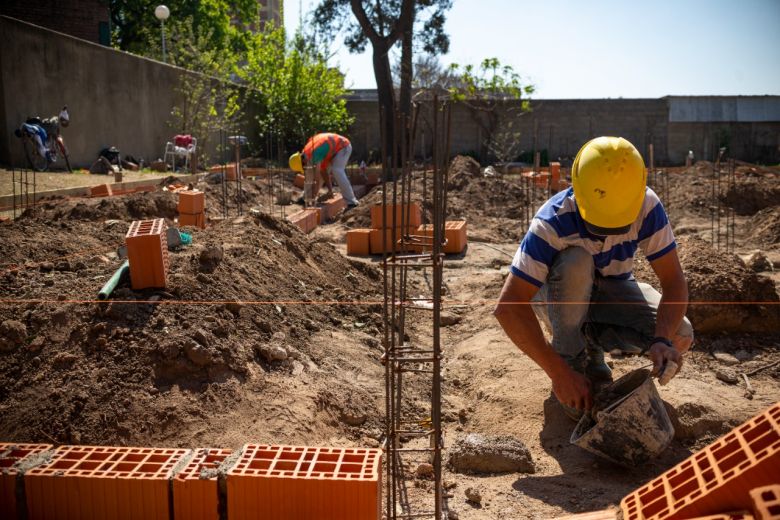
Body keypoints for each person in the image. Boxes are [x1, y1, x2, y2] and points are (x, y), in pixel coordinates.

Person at [494, 136, 693, 420]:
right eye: (599, 223)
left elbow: (674, 280)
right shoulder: (552, 222)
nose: (608, 232)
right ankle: (570, 359)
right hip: (558, 298)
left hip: (611, 291)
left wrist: (662, 339)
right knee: (577, 260)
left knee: (680, 334)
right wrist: (558, 373)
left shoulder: (647, 206)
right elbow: (509, 306)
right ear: (578, 190)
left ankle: (592, 350)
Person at [289, 132, 359, 208]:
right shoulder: (307, 153)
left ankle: (352, 202)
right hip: (330, 150)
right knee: (311, 171)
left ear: (302, 162)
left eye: (304, 167)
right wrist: (330, 191)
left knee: (337, 170)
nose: (305, 169)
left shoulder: (315, 154)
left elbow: (317, 180)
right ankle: (306, 198)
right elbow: (323, 172)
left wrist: (313, 198)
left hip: (343, 147)